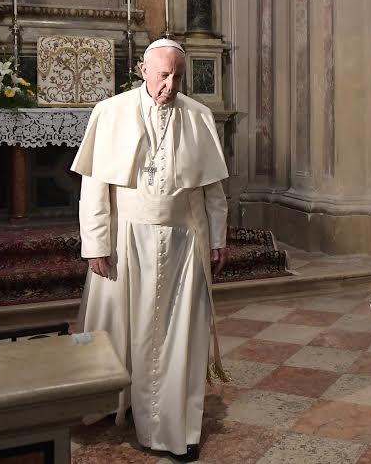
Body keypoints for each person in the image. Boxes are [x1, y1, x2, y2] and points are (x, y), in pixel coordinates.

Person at [71, 38, 229, 461]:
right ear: (143, 70)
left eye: (177, 76)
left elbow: (213, 191)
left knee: (176, 334)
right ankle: (110, 402)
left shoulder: (198, 115)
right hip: (126, 240)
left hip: (183, 242)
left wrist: (218, 239)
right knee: (119, 327)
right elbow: (94, 188)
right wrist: (95, 244)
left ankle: (169, 425)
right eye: (163, 75)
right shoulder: (111, 112)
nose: (170, 84)